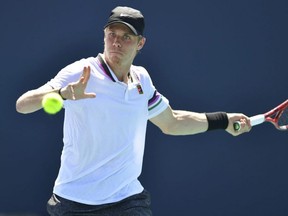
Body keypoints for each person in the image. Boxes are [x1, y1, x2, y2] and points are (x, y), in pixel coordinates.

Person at [16, 6, 251, 216]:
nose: (116, 42)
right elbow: (23, 104)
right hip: (75, 201)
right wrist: (62, 94)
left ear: (140, 43)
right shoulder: (81, 72)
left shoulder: (142, 80)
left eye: (126, 37)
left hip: (127, 199)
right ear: (104, 37)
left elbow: (172, 122)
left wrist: (223, 120)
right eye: (112, 35)